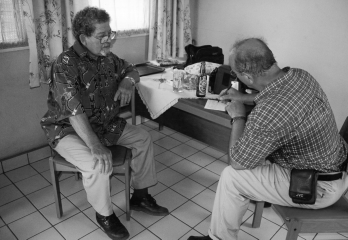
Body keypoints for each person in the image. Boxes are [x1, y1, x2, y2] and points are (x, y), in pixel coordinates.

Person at [188, 38, 348, 240]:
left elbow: (237, 162)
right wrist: (243, 98)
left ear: (247, 77)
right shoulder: (299, 75)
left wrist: (238, 116)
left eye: (236, 74)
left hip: (316, 186)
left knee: (232, 177)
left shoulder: (269, 113)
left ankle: (219, 239)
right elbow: (274, 95)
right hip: (334, 166)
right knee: (259, 153)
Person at [40, 7, 168, 240]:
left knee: (143, 138)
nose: (109, 39)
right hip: (67, 129)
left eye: (110, 33)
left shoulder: (108, 58)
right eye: (102, 36)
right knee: (95, 162)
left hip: (104, 125)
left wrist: (128, 82)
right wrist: (95, 145)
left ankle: (139, 196)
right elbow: (73, 111)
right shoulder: (66, 63)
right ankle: (105, 215)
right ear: (83, 38)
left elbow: (132, 69)